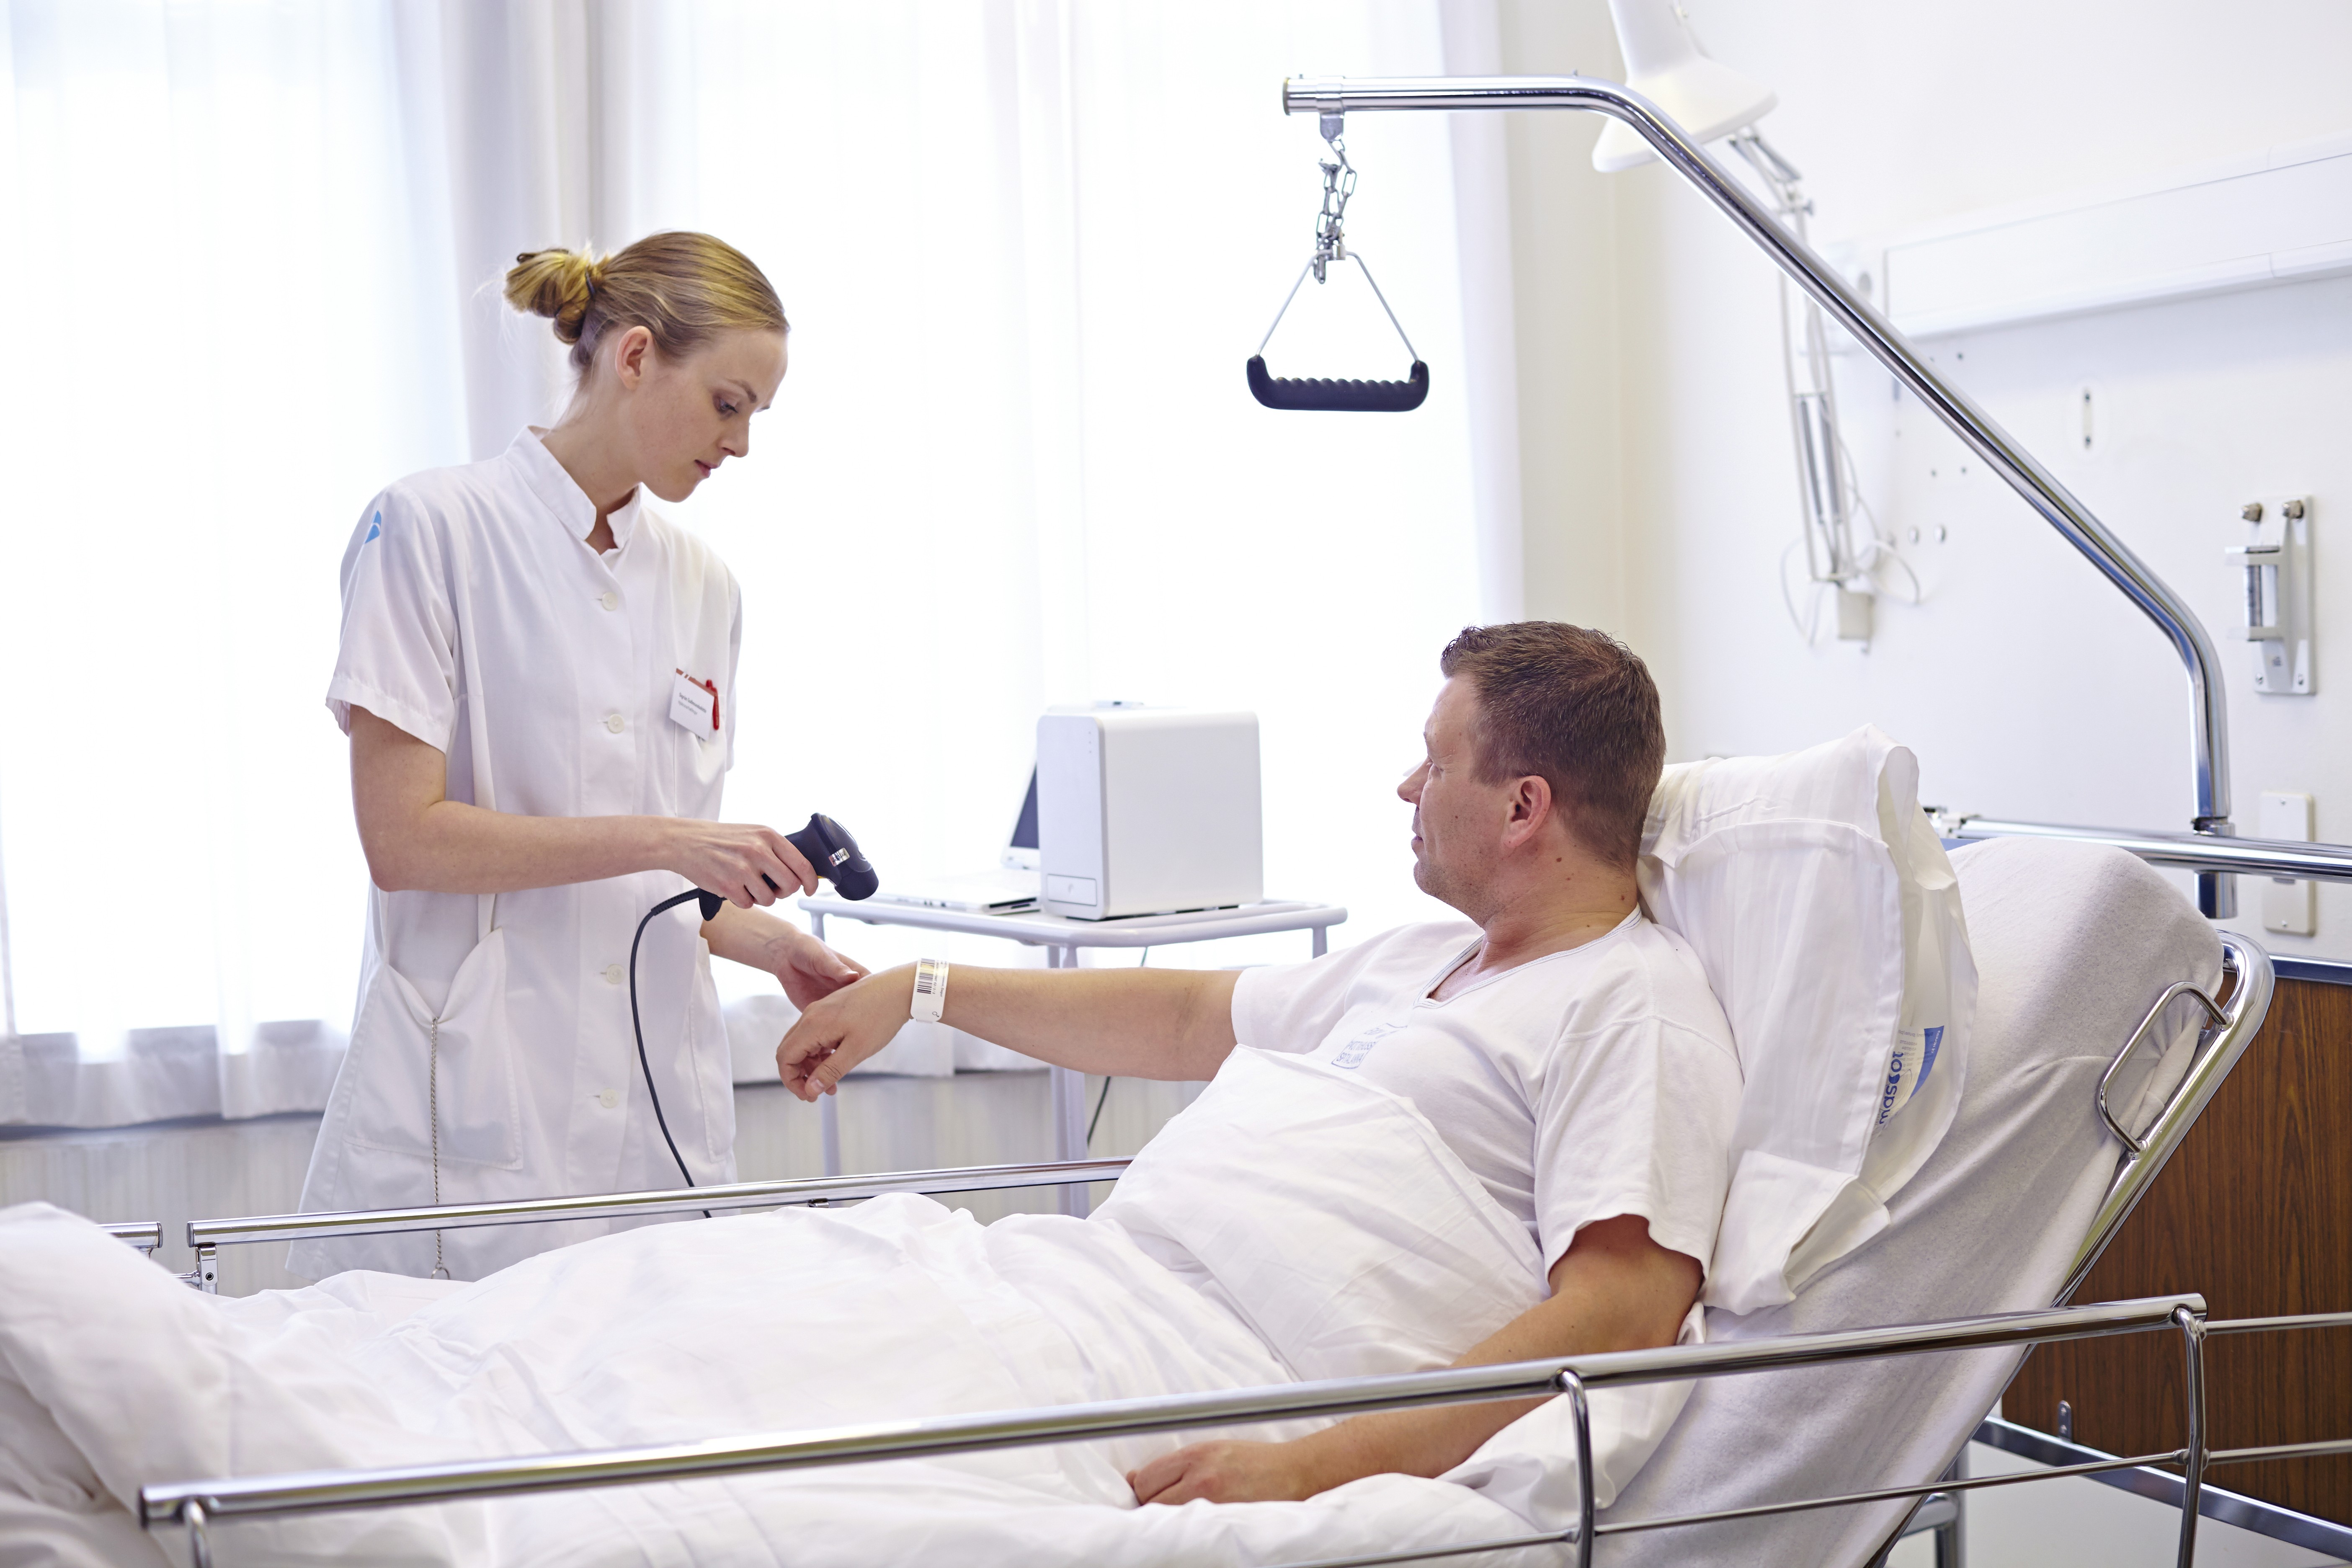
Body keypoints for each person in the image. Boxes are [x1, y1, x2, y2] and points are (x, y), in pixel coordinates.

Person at [776, 621, 1743, 1508]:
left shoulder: (1631, 1011)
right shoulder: (1424, 958)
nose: (1408, 787)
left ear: (1525, 806)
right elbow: (1193, 1016)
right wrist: (923, 988)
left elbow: (1618, 1314)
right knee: (790, 1334)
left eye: (1436, 762)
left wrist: (1303, 1470)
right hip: (1090, 1288)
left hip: (1224, 1371)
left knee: (813, 1465)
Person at [294, 232, 867, 1285]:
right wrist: (673, 838)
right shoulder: (431, 528)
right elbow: (404, 841)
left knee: (657, 1412)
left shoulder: (706, 583)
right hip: (476, 1107)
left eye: (756, 418)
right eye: (728, 405)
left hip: (656, 1107)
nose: (740, 446)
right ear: (636, 356)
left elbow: (652, 888)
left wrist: (768, 941)